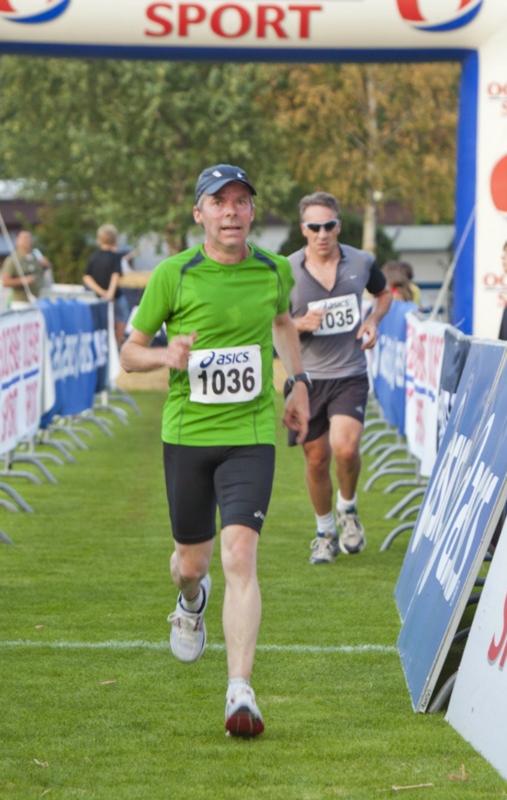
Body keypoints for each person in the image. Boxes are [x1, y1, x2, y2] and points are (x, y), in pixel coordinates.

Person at [119, 164, 309, 738]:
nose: (231, 211)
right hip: (187, 435)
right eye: (219, 202)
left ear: (252, 212)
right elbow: (129, 354)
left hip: (249, 435)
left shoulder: (274, 269)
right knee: (192, 564)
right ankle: (190, 600)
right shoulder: (173, 274)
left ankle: (239, 689)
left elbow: (282, 322)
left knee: (240, 554)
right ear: (199, 213)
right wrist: (165, 356)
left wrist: (298, 383)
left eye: (241, 201)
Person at [288, 192, 391, 564]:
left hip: (350, 373)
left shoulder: (361, 261)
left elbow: (384, 293)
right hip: (306, 379)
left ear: (338, 226)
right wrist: (299, 324)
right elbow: (269, 322)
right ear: (304, 229)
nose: (322, 233)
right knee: (316, 460)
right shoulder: (285, 270)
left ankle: (348, 508)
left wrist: (372, 321)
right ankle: (325, 532)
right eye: (314, 227)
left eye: (329, 225)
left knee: (345, 448)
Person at [83, 223, 128, 344]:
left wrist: (101, 292)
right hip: (114, 296)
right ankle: (118, 342)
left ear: (99, 240)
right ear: (114, 240)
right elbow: (115, 275)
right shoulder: (115, 257)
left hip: (97, 297)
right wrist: (109, 294)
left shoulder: (93, 257)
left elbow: (87, 277)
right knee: (122, 315)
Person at [2, 230, 53, 304]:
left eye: (29, 237)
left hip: (39, 300)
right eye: (24, 238)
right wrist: (23, 281)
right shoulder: (13, 259)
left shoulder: (36, 256)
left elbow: (44, 273)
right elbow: (5, 282)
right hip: (21, 302)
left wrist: (46, 265)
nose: (27, 240)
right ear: (17, 240)